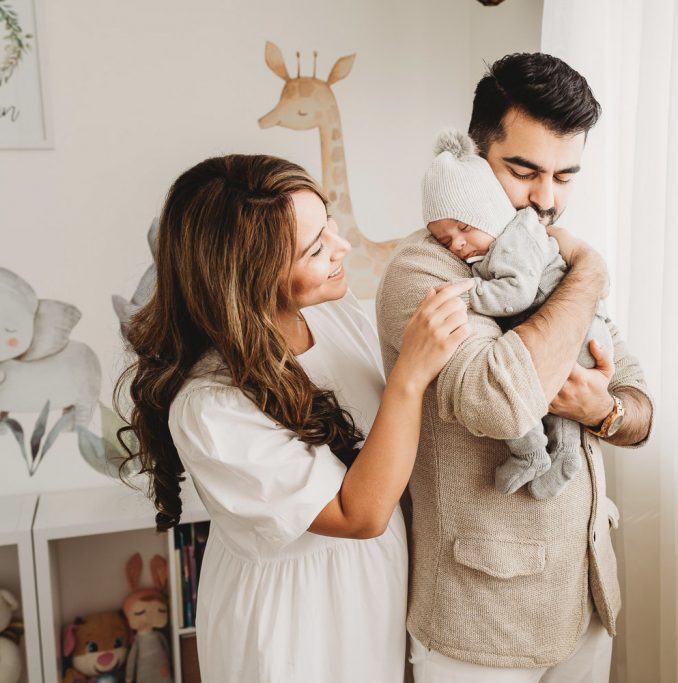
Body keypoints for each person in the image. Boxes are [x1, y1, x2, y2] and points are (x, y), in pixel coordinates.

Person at [117, 154, 472, 683]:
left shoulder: (332, 312)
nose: (341, 247)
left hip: (370, 588)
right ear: (251, 278)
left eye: (328, 224)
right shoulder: (211, 406)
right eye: (315, 249)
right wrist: (410, 376)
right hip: (294, 625)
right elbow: (359, 514)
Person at [375, 52, 654, 682]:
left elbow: (639, 401)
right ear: (477, 157)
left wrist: (603, 410)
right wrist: (590, 274)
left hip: (582, 597)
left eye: (565, 177)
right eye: (524, 172)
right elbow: (500, 402)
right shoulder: (425, 270)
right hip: (479, 620)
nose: (546, 200)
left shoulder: (548, 257)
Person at [422, 128, 615, 499]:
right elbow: (498, 401)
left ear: (486, 211)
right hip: (577, 328)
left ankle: (536, 453)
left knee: (537, 390)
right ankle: (549, 456)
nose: (456, 244)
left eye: (463, 228)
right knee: (532, 393)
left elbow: (517, 293)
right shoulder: (430, 262)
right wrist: (589, 267)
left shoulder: (517, 236)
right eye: (444, 239)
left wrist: (470, 292)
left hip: (585, 337)